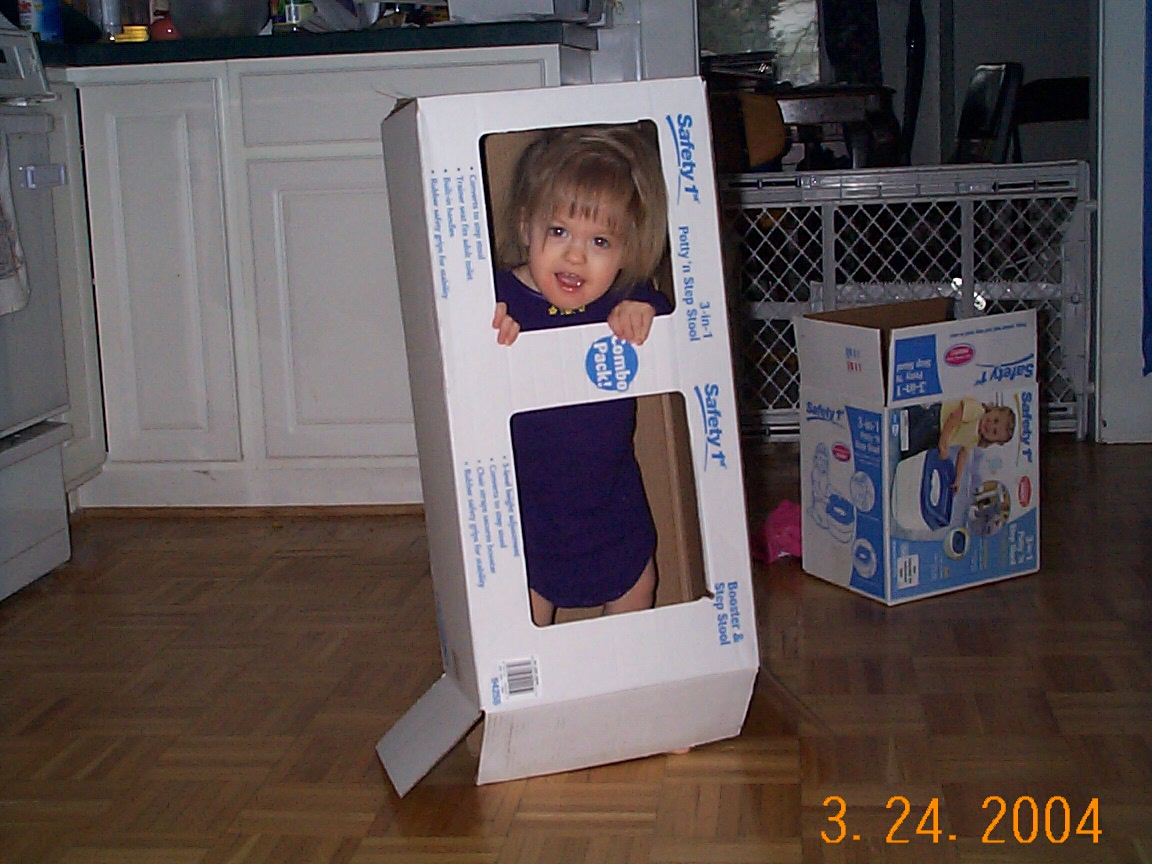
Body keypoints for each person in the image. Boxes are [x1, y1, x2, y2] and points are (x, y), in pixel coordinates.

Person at [490, 123, 671, 628]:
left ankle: (621, 671)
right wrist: (488, 330)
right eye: (558, 232)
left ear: (626, 251)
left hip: (610, 501)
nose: (575, 255)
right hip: (528, 511)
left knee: (638, 582)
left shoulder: (620, 299)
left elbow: (664, 310)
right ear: (525, 225)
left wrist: (644, 310)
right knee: (523, 609)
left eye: (600, 240)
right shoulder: (500, 298)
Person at [937, 398, 1016, 490]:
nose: (990, 426)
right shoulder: (977, 411)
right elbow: (954, 416)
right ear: (994, 410)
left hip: (937, 437)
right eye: (995, 420)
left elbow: (963, 452)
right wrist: (943, 443)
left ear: (992, 440)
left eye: (994, 432)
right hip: (937, 419)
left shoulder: (976, 438)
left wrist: (958, 479)